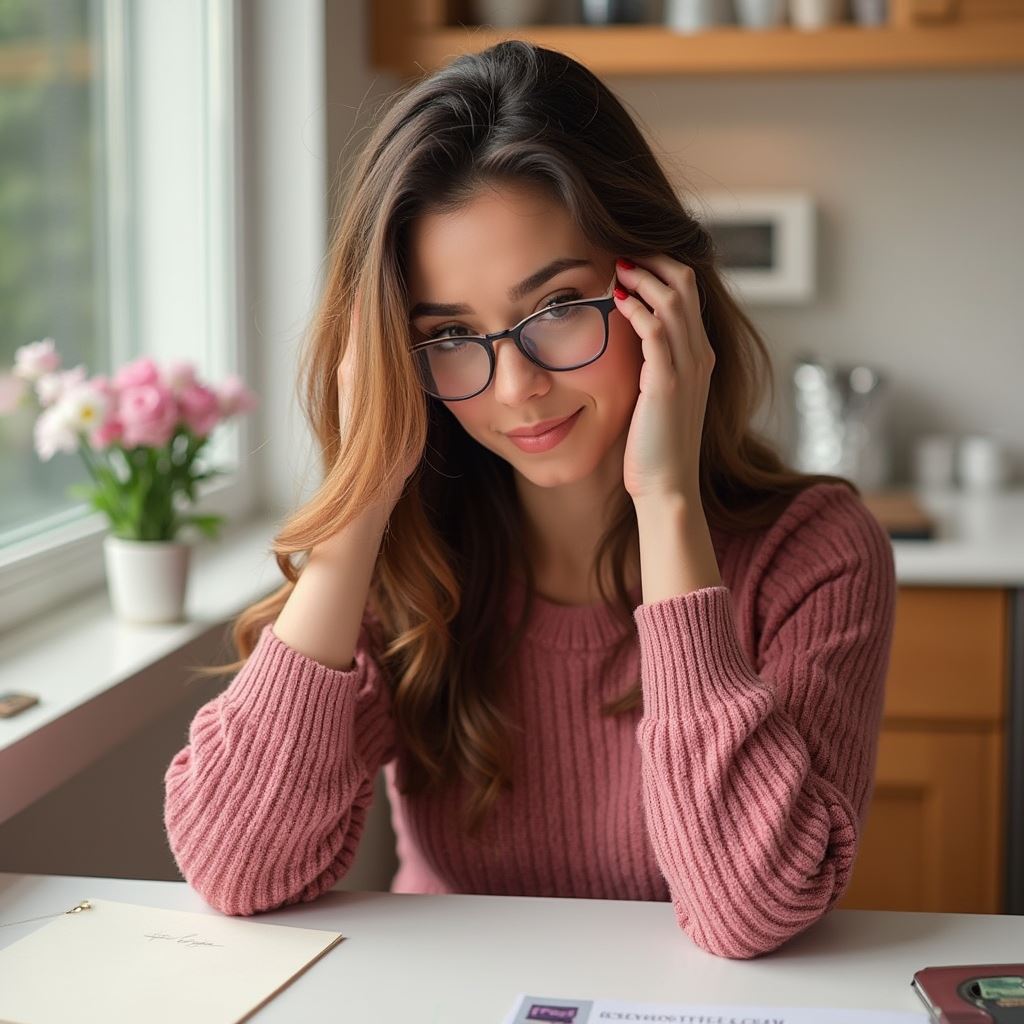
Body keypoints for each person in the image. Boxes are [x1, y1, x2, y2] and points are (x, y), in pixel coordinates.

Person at [163, 40, 896, 960]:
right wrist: (355, 515)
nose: (514, 387)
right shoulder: (414, 555)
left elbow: (748, 911)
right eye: (451, 336)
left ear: (659, 295)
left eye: (554, 310)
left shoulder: (818, 553)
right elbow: (234, 867)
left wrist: (666, 501)